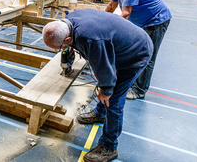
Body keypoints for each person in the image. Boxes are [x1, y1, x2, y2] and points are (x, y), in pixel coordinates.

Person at [43, 9, 153, 162]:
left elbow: (103, 67)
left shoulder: (90, 38)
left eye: (61, 47)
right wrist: (68, 49)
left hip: (136, 53)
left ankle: (109, 147)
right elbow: (99, 58)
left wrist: (106, 90)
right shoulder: (70, 20)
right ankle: (100, 114)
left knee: (113, 99)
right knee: (106, 89)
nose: (62, 50)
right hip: (120, 45)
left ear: (68, 38)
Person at [104, 0, 172, 100]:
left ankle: (140, 90)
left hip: (156, 21)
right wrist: (100, 20)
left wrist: (108, 28)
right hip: (142, 22)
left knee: (147, 55)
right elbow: (112, 5)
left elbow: (125, 14)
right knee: (136, 52)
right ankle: (133, 82)